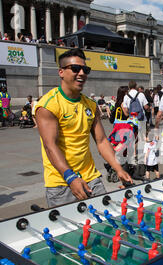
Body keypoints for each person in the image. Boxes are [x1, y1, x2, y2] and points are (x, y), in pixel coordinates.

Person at [33, 48, 133, 207]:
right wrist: (70, 178)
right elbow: (50, 146)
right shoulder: (48, 105)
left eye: (85, 69)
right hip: (62, 183)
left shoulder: (90, 105)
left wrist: (118, 168)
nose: (81, 73)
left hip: (91, 178)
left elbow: (101, 141)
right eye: (75, 69)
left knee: (105, 224)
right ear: (61, 72)